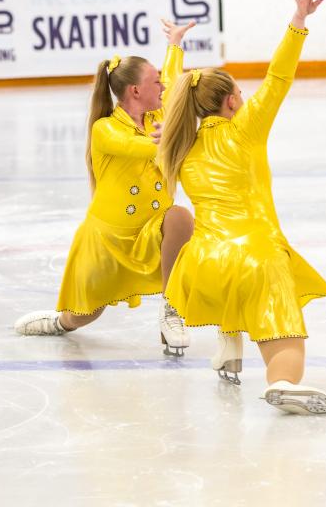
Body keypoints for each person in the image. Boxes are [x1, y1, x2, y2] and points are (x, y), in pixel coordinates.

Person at [159, 0, 326, 415]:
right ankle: (282, 383)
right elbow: (279, 76)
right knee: (283, 327)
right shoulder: (245, 130)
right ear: (232, 104)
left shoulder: (181, 139)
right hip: (255, 255)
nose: (245, 94)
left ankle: (229, 350)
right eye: (240, 90)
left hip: (202, 263)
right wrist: (298, 22)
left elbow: (174, 93)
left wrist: (175, 48)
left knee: (234, 288)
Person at [14, 19, 197, 357]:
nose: (162, 86)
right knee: (84, 314)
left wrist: (175, 44)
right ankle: (59, 323)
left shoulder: (158, 117)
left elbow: (171, 80)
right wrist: (171, 141)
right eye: (154, 82)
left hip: (148, 233)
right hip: (108, 241)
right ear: (135, 91)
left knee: (180, 217)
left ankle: (172, 310)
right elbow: (141, 147)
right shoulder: (105, 130)